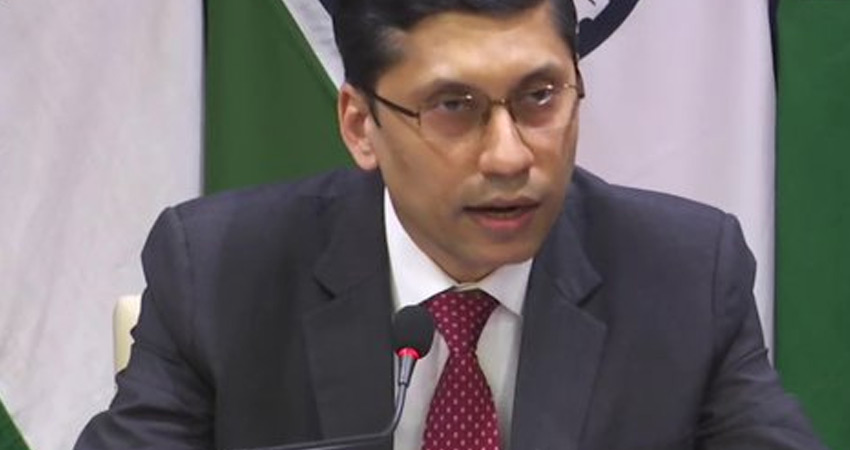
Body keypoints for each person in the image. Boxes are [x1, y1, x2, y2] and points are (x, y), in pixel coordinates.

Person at [75, 0, 827, 449]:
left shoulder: (685, 274)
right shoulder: (219, 273)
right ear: (360, 125)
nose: (509, 156)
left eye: (540, 96)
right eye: (453, 108)